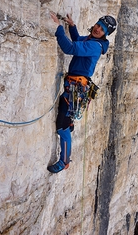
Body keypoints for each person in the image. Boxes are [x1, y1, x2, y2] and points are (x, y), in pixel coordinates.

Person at [47, 12, 117, 173]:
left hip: (75, 88)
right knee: (66, 116)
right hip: (75, 85)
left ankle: (64, 161)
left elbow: (70, 48)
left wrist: (58, 28)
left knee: (61, 128)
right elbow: (78, 40)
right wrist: (72, 27)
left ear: (106, 34)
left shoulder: (94, 46)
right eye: (98, 24)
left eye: (103, 28)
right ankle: (70, 122)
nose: (98, 28)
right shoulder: (91, 40)